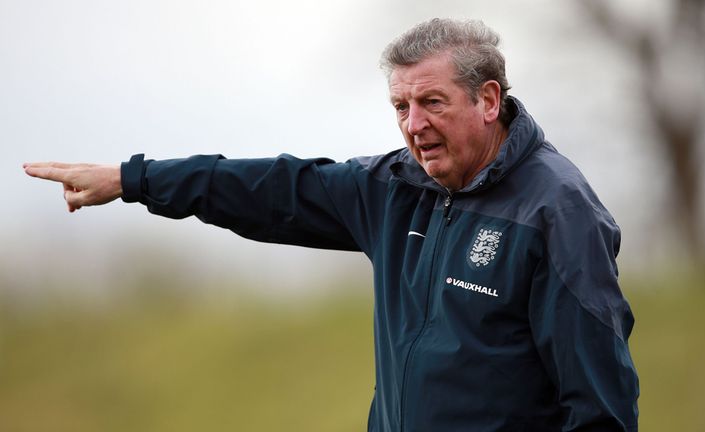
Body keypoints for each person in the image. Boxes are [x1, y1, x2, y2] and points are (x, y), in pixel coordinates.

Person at [25, 18, 639, 432]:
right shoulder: (395, 189)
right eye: (401, 106)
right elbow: (268, 189)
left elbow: (600, 403)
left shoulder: (557, 211)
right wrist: (134, 181)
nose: (413, 124)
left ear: (487, 99)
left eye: (431, 102)